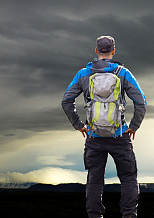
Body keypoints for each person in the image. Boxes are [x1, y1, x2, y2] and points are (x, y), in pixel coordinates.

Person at [62, 35, 147, 218]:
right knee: (128, 178)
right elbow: (141, 101)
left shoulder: (83, 74)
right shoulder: (123, 73)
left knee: (94, 180)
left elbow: (66, 101)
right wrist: (133, 126)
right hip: (120, 137)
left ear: (96, 51)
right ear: (113, 51)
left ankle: (95, 216)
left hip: (93, 137)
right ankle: (129, 215)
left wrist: (79, 125)